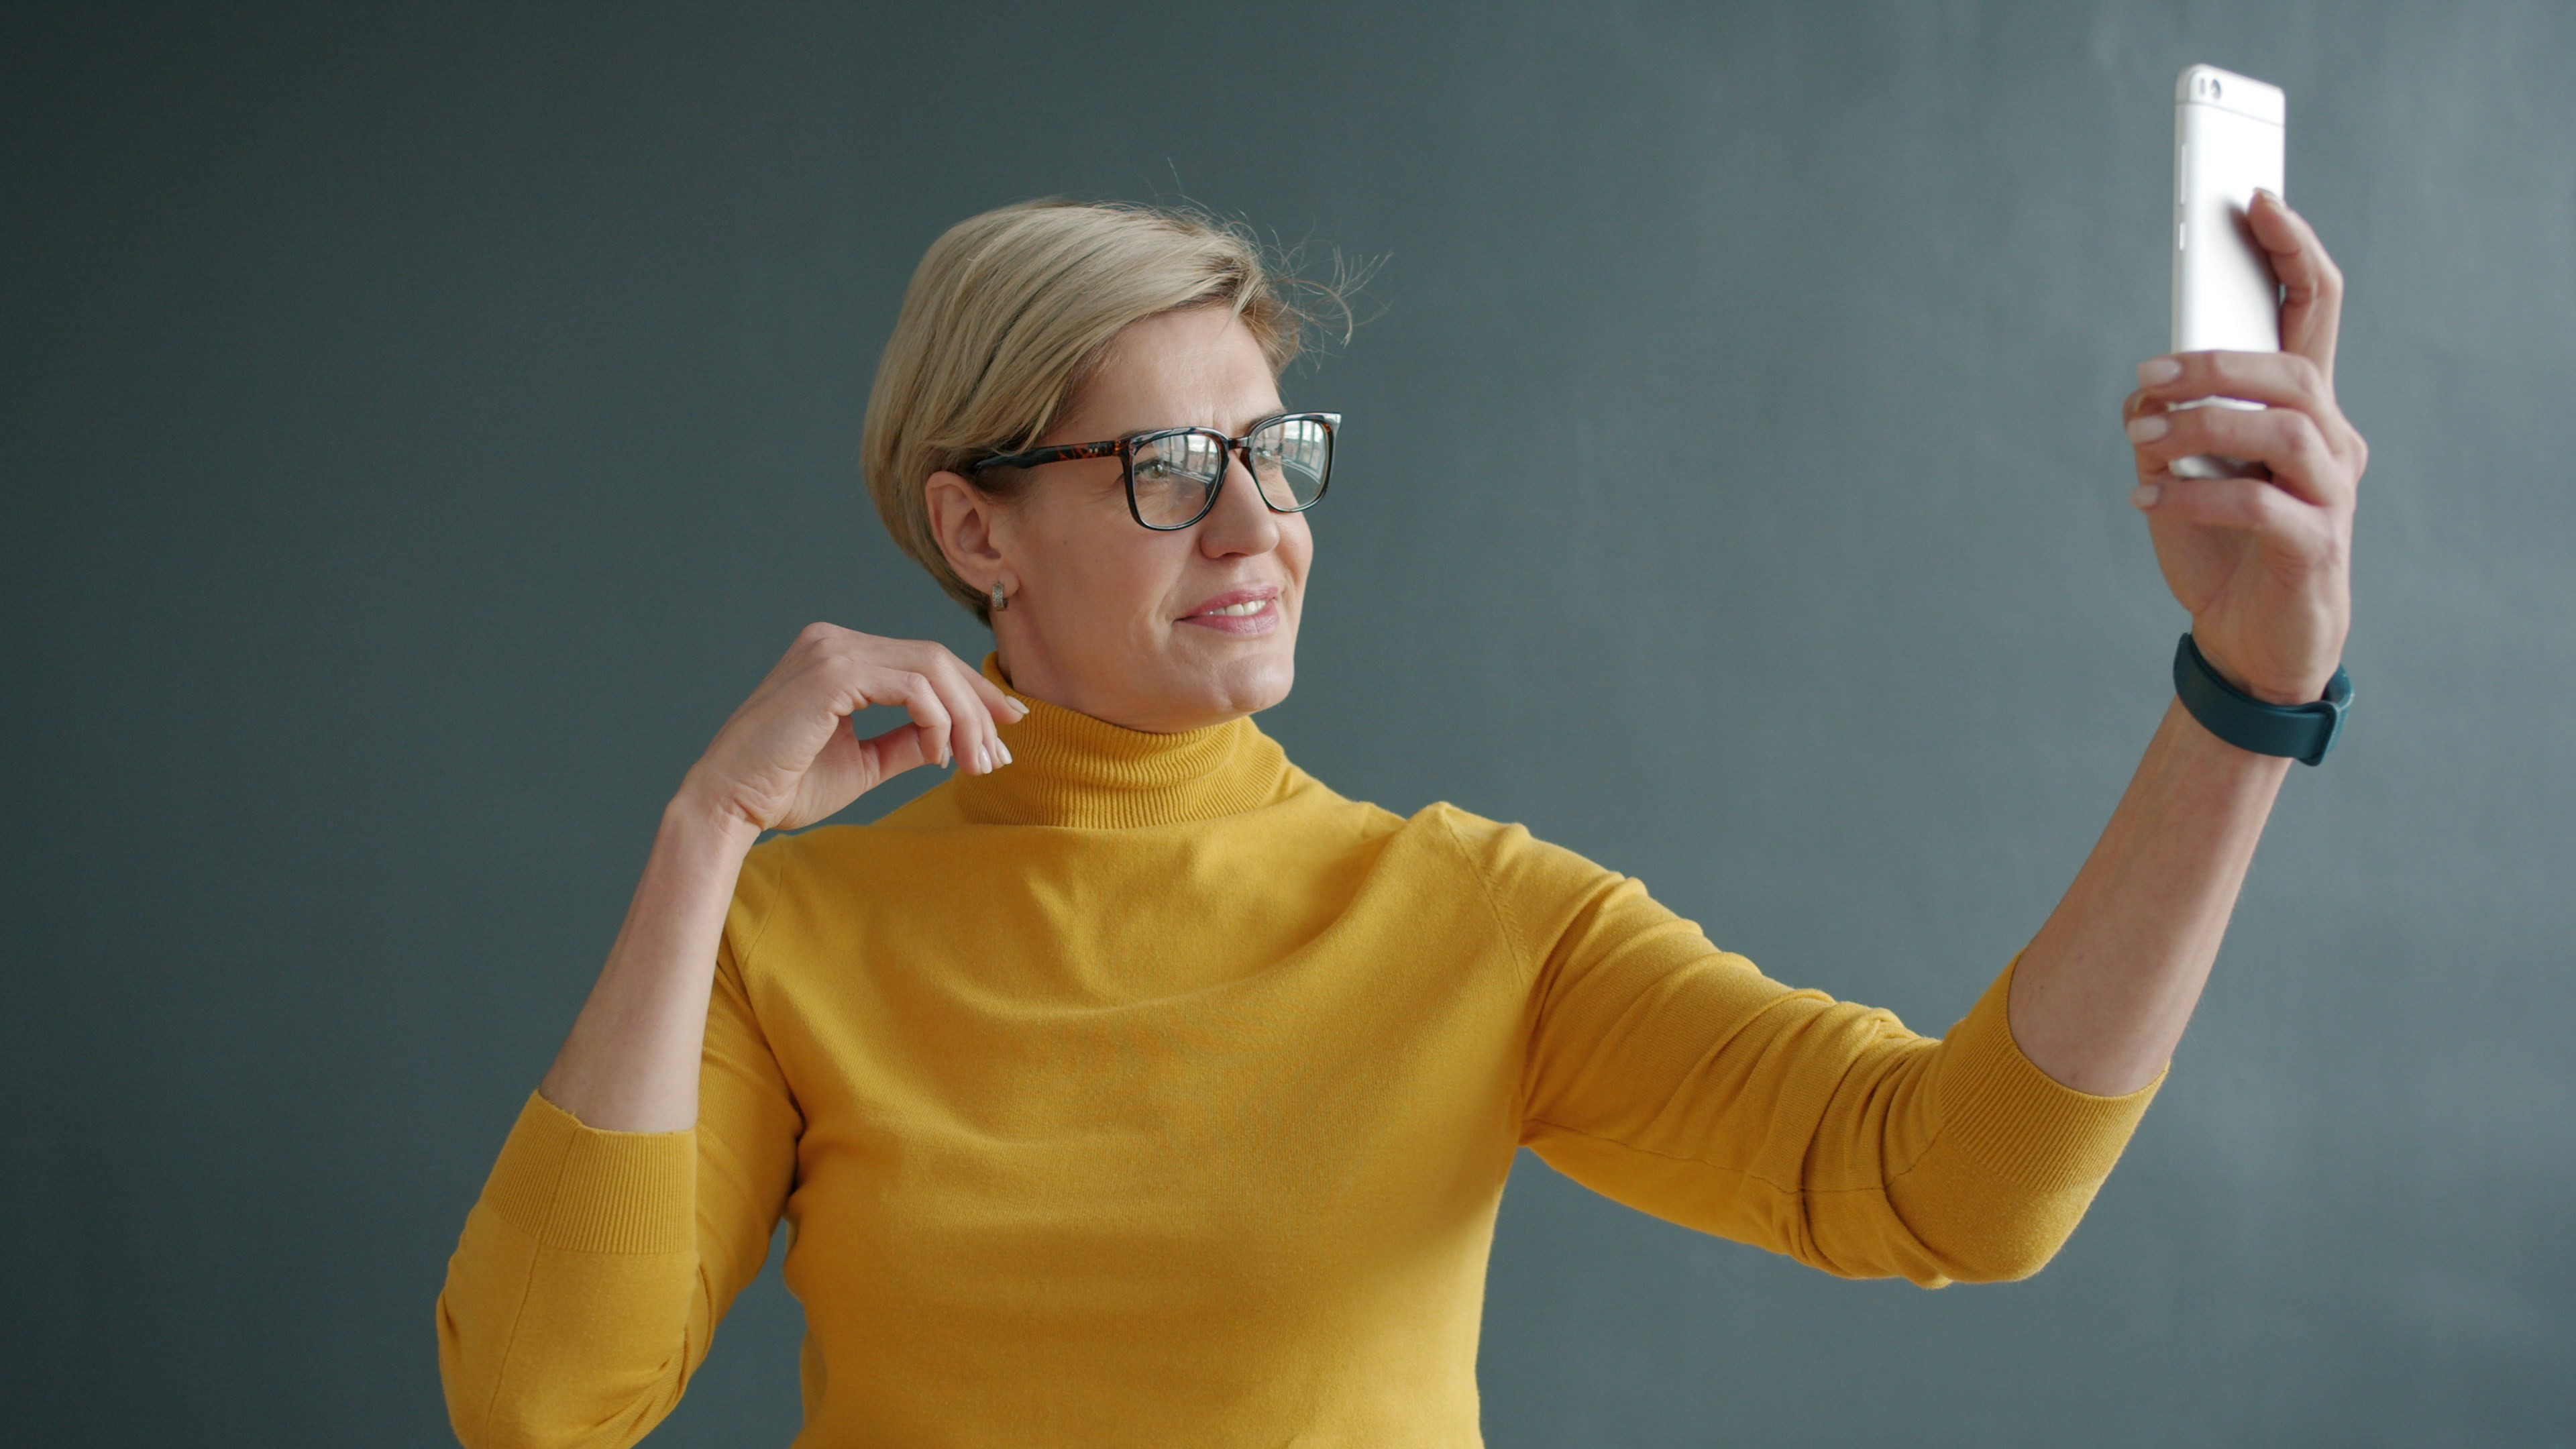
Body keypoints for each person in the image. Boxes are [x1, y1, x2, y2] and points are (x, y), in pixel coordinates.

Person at [435, 194, 2363, 1448]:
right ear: (972, 528)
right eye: (1173, 468)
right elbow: (538, 1404)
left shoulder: (1466, 914)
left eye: (1279, 457)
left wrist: (2249, 704)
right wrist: (708, 834)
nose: (1262, 527)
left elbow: (1950, 1187)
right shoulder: (793, 940)